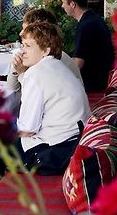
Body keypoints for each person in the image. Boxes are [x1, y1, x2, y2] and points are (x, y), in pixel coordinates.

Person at [16, 22, 90, 175]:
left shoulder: (35, 73)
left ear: (46, 51)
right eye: (22, 45)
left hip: (54, 149)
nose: (22, 51)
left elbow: (27, 129)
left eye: (28, 46)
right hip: (75, 141)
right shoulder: (58, 66)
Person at [7, 7, 82, 92]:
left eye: (25, 30)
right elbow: (12, 88)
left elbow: (33, 94)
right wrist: (17, 69)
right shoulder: (40, 54)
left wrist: (21, 73)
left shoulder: (53, 61)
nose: (21, 33)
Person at [59, 0, 115, 92]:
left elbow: (78, 64)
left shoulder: (86, 26)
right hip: (100, 80)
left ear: (72, 4)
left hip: (92, 85)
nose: (62, 6)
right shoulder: (94, 19)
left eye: (63, 2)